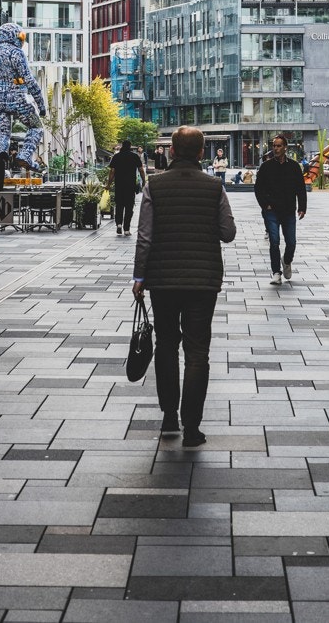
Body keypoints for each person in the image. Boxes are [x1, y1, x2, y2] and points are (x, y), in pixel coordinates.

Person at [132, 125, 236, 448]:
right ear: (202, 153)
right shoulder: (213, 187)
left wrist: (138, 278)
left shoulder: (155, 186)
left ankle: (168, 416)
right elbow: (228, 232)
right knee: (197, 351)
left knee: (166, 345)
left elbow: (144, 237)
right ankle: (192, 427)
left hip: (162, 281)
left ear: (172, 152)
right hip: (203, 282)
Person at [0, 23, 47, 172]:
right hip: (17, 98)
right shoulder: (16, 53)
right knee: (36, 126)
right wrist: (41, 104)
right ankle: (25, 155)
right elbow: (29, 80)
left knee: (2, 134)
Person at [254, 133, 307, 285]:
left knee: (291, 243)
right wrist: (265, 205)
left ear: (285, 147)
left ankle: (287, 260)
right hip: (271, 210)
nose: (275, 148)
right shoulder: (266, 166)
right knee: (274, 241)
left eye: (278, 146)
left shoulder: (294, 166)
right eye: (274, 146)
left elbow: (300, 188)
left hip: (289, 210)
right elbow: (258, 189)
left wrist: (302, 207)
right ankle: (276, 272)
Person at [109, 139, 146, 235]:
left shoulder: (116, 156)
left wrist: (108, 184)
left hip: (119, 185)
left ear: (122, 146)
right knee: (129, 207)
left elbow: (112, 171)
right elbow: (141, 170)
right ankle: (126, 229)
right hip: (130, 186)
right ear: (130, 146)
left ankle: (119, 224)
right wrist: (144, 181)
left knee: (119, 205)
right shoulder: (134, 156)